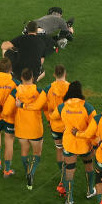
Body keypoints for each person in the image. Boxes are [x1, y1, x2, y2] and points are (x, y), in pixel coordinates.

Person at [49, 81, 98, 204]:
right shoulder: (88, 107)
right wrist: (94, 142)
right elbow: (95, 127)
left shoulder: (62, 107)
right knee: (88, 165)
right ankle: (90, 190)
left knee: (70, 169)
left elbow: (53, 117)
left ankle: (69, 199)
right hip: (85, 144)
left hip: (69, 143)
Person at [8, 68, 47, 189]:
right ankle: (31, 172)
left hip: (21, 128)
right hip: (35, 128)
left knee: (24, 151)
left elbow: (7, 110)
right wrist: (51, 120)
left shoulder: (15, 91)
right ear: (33, 78)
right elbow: (44, 107)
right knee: (37, 153)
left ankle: (27, 173)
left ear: (21, 78)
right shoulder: (39, 91)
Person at [42, 65, 71, 195]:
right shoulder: (70, 88)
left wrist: (49, 119)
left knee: (59, 149)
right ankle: (65, 180)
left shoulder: (49, 88)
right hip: (68, 126)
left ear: (54, 74)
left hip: (55, 125)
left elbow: (44, 106)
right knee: (68, 153)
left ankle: (62, 178)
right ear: (65, 74)